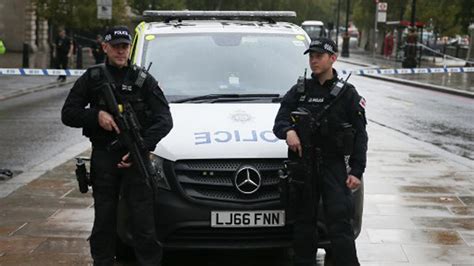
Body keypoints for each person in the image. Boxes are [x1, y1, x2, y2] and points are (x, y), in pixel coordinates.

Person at [61, 26, 173, 266]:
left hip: (137, 157)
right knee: (104, 218)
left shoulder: (143, 80)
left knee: (143, 221)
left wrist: (141, 145)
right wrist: (97, 115)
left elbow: (165, 119)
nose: (121, 52)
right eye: (116, 47)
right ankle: (102, 261)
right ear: (105, 47)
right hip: (105, 157)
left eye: (125, 47)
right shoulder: (92, 78)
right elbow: (68, 114)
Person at [273, 37, 368, 266]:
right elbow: (279, 122)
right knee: (304, 223)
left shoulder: (347, 94)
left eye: (319, 56)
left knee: (339, 222)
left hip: (333, 165)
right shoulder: (299, 90)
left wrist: (356, 170)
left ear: (332, 58)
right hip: (304, 166)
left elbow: (360, 135)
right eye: (311, 56)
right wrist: (288, 132)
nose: (314, 60)